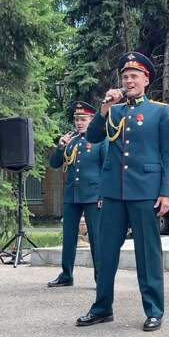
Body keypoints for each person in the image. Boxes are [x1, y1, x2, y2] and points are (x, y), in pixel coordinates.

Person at [75, 51, 169, 332]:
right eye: (125, 77)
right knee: (106, 252)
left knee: (148, 254)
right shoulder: (114, 111)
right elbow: (94, 137)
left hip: (145, 191)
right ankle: (102, 308)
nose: (128, 81)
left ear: (146, 80)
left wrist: (166, 192)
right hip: (113, 192)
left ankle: (154, 310)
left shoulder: (159, 111)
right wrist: (104, 109)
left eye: (134, 76)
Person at [47, 101, 108, 287]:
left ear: (92, 120)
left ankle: (100, 277)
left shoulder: (100, 140)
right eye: (77, 119)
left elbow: (107, 168)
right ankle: (66, 275)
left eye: (83, 119)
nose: (79, 123)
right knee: (68, 237)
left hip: (93, 195)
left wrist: (103, 196)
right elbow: (55, 164)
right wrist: (60, 147)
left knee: (96, 238)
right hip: (72, 194)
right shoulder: (71, 141)